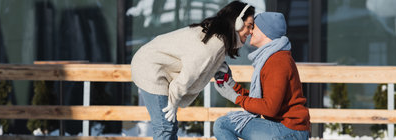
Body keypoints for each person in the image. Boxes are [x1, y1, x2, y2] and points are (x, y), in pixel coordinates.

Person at [130, 1, 255, 139]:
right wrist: (173, 101)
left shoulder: (218, 40)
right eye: (248, 26)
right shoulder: (213, 44)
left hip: (156, 65)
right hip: (149, 66)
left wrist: (242, 96)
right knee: (164, 127)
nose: (250, 32)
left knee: (169, 127)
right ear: (236, 22)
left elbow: (219, 73)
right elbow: (190, 74)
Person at [213, 12, 311, 140]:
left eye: (254, 27)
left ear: (266, 32)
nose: (250, 31)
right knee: (224, 123)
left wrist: (235, 98)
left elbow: (270, 108)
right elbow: (262, 100)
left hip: (289, 131)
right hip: (286, 129)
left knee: (222, 124)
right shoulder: (272, 57)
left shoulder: (278, 61)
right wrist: (233, 86)